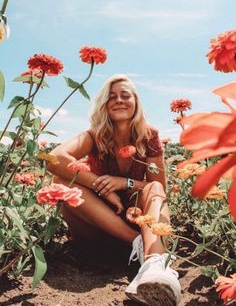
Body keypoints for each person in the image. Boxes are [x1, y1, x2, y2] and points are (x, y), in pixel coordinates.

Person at [48, 74, 181, 305]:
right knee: (60, 182)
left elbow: (158, 185)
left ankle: (153, 267)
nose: (119, 100)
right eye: (112, 97)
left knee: (155, 188)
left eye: (125, 95)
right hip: (99, 229)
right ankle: (138, 245)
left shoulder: (149, 136)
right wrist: (100, 187)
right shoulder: (94, 135)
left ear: (135, 102)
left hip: (141, 221)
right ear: (104, 105)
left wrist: (123, 183)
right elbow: (55, 158)